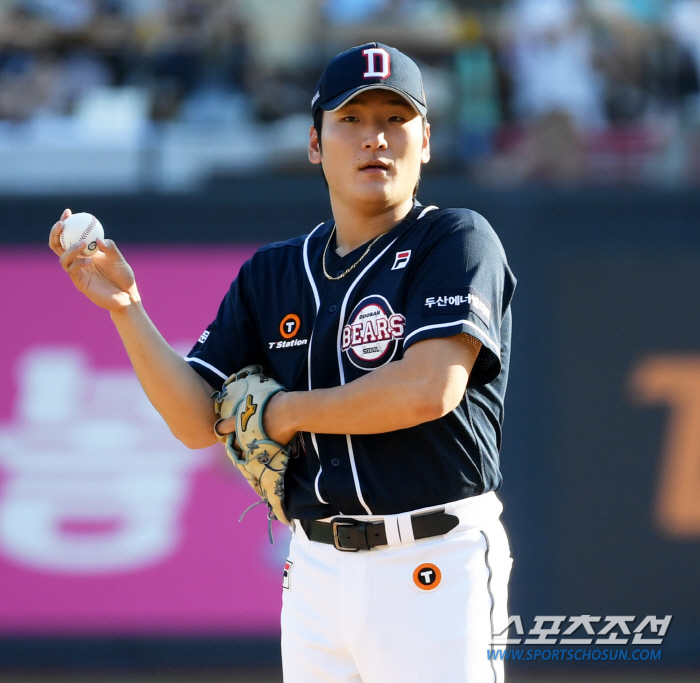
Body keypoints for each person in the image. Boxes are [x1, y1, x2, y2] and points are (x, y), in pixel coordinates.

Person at [49, 42, 516, 683]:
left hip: (433, 560)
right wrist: (127, 309)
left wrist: (285, 412)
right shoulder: (273, 273)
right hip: (316, 569)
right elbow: (194, 421)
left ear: (426, 141)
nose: (374, 138)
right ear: (315, 144)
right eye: (351, 120)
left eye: (394, 119)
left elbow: (429, 389)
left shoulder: (456, 239)